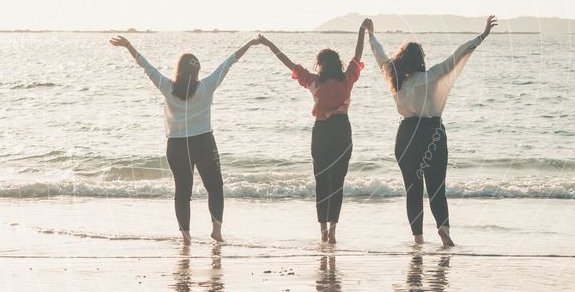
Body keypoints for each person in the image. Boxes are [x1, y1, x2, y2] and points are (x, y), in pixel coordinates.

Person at [109, 35, 260, 245]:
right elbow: (229, 62)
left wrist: (128, 46)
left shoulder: (167, 87)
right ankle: (216, 231)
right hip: (204, 142)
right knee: (215, 188)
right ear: (197, 71)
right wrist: (251, 43)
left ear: (178, 70)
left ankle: (186, 237)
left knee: (182, 193)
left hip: (177, 145)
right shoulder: (207, 86)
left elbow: (146, 66)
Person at [365, 15, 498, 246]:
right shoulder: (433, 76)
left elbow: (380, 56)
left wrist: (371, 34)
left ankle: (418, 239)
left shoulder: (396, 80)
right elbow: (457, 56)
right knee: (437, 188)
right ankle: (444, 230)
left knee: (412, 190)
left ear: (403, 61)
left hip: (406, 137)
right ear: (421, 61)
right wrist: (482, 36)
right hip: (433, 135)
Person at [257, 25, 366, 243]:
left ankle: (323, 231)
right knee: (337, 182)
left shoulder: (314, 82)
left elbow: (287, 62)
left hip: (321, 133)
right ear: (338, 64)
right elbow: (357, 54)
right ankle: (333, 231)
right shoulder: (347, 80)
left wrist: (269, 44)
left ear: (321, 66)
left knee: (321, 181)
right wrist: (362, 30)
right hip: (342, 131)